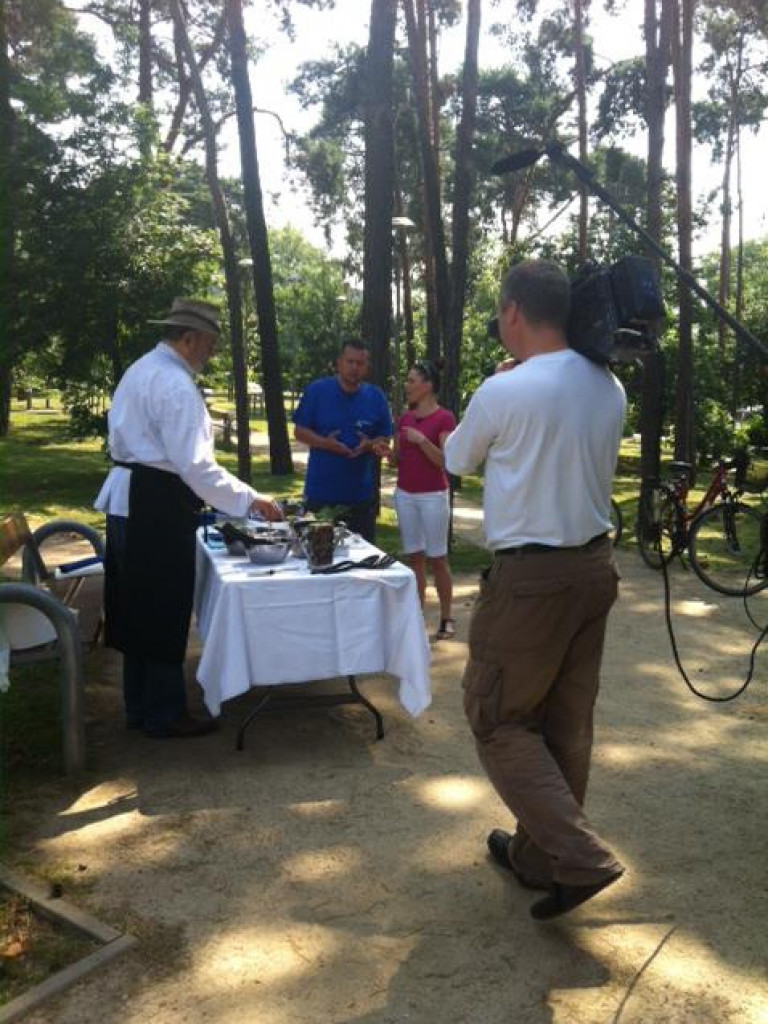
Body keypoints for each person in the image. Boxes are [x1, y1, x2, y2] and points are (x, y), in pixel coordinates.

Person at [444, 260, 626, 920]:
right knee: (565, 725)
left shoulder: (507, 389)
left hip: (529, 580)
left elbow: (457, 459)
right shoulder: (609, 385)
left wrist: (491, 389)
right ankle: (536, 857)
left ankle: (578, 857)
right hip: (593, 570)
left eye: (499, 311)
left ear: (514, 311)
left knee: (497, 718)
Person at [95, 298, 281, 739]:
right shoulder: (175, 383)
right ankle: (163, 711)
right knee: (162, 604)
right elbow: (196, 466)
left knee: (137, 606)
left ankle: (139, 704)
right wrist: (250, 499)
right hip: (153, 501)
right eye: (210, 343)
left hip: (132, 498)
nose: (211, 352)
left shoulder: (142, 368)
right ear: (188, 337)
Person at [293, 341, 393, 542]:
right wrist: (324, 443)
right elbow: (299, 431)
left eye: (360, 363)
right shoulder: (317, 391)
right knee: (319, 558)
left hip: (360, 498)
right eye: (350, 362)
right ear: (339, 363)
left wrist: (372, 444)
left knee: (362, 565)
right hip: (321, 496)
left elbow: (385, 436)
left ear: (367, 367)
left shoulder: (375, 396)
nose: (354, 367)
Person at [389, 360, 456, 639]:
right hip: (405, 494)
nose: (407, 385)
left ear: (428, 386)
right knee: (414, 558)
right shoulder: (403, 419)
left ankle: (446, 618)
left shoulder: (445, 418)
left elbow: (445, 461)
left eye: (412, 380)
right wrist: (388, 454)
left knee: (437, 558)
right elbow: (397, 460)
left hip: (432, 496)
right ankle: (417, 618)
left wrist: (422, 441)